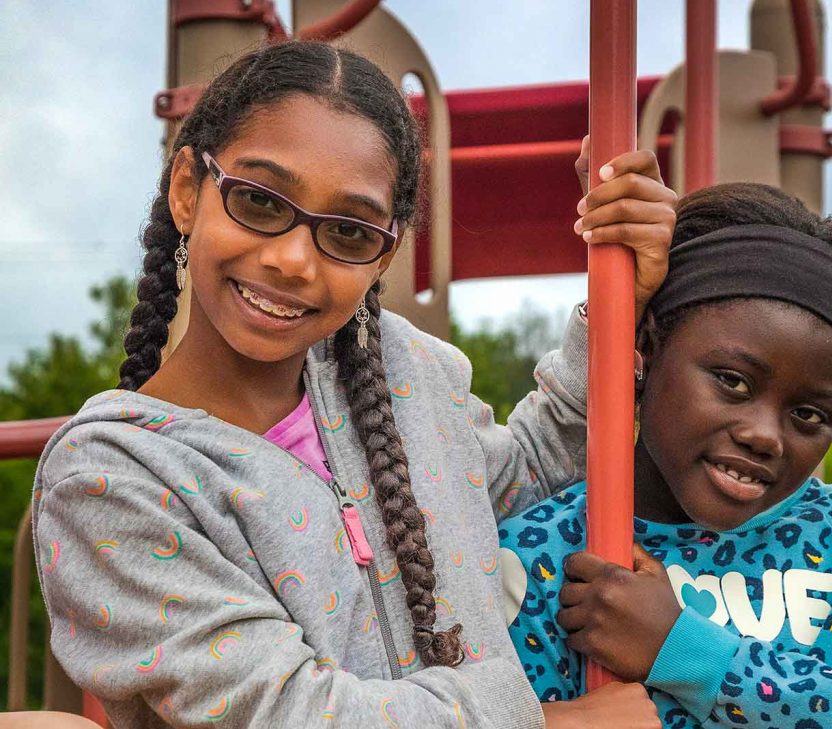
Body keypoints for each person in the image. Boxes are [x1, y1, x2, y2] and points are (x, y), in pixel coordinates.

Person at [31, 40, 675, 728]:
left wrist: (617, 304)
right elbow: (290, 713)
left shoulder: (409, 372)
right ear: (188, 190)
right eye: (258, 199)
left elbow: (535, 467)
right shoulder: (108, 481)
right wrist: (554, 722)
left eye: (346, 230)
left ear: (385, 253)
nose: (291, 259)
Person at [501, 182, 832, 728]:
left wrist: (685, 652)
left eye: (809, 415)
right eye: (733, 381)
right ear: (645, 350)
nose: (766, 435)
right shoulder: (542, 554)